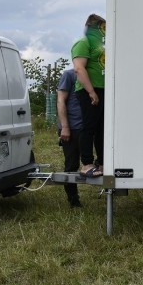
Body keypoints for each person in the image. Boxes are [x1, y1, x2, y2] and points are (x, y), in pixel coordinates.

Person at [72, 13, 106, 178]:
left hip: (103, 88)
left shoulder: (101, 43)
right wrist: (91, 92)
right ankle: (87, 164)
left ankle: (103, 162)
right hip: (88, 90)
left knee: (102, 128)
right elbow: (79, 68)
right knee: (89, 127)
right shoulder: (82, 42)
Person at [56, 67, 82, 207]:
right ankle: (73, 200)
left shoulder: (96, 74)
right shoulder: (69, 75)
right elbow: (61, 100)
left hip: (89, 127)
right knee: (72, 164)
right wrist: (65, 127)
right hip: (72, 127)